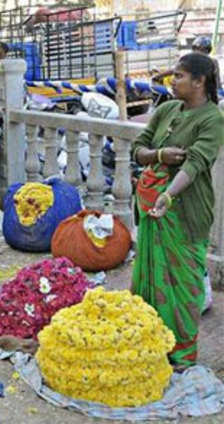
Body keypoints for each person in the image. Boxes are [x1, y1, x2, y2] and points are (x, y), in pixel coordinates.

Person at [131, 53, 224, 370]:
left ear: (200, 82)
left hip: (184, 214)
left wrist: (167, 196)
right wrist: (159, 154)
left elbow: (196, 163)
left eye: (180, 76)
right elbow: (138, 148)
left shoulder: (212, 118)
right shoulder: (167, 108)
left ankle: (182, 354)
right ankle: (151, 343)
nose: (173, 80)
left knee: (182, 284)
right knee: (151, 280)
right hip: (150, 212)